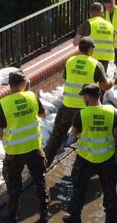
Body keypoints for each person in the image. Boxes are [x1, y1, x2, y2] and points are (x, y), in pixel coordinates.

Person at [44, 37, 112, 166]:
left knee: (56, 136)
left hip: (67, 105)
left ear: (79, 48)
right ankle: (87, 165)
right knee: (88, 138)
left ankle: (44, 164)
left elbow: (67, 78)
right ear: (91, 49)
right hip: (86, 108)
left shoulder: (70, 61)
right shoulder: (96, 64)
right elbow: (104, 86)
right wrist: (113, 81)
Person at [0, 70, 48, 223]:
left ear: (9, 85)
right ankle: (44, 214)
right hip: (34, 148)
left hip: (14, 152)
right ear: (23, 84)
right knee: (40, 180)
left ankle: (11, 217)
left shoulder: (2, 104)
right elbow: (43, 114)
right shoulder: (31, 96)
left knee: (13, 185)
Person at [65, 83, 117, 223]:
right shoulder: (111, 113)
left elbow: (74, 133)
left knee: (79, 188)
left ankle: (75, 217)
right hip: (106, 158)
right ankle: (111, 218)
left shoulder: (81, 114)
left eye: (83, 96)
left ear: (89, 97)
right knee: (109, 188)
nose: (83, 98)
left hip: (85, 158)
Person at [74, 2, 116, 66]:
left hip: (91, 57)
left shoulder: (88, 23)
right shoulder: (110, 25)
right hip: (106, 57)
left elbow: (76, 42)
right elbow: (114, 42)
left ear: (90, 12)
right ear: (102, 12)